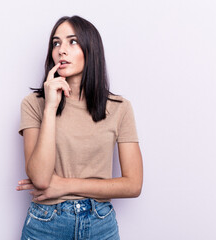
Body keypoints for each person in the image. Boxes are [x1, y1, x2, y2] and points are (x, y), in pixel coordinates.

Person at [16, 15, 143, 240]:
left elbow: (133, 185)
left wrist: (63, 186)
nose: (61, 50)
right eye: (56, 43)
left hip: (100, 224)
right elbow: (41, 179)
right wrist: (50, 108)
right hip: (46, 223)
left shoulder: (120, 108)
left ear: (90, 49)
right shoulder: (34, 104)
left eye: (72, 41)